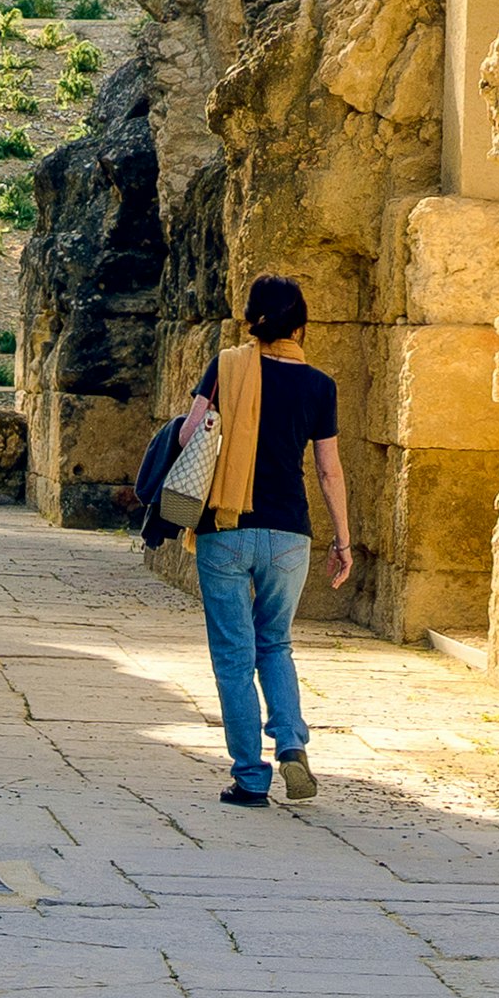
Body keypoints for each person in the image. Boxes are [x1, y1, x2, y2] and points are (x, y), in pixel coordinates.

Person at [182, 275, 352, 808]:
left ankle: (250, 779)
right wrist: (342, 539)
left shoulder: (228, 367)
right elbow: (329, 471)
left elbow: (190, 436)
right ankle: (293, 744)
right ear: (301, 326)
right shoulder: (320, 386)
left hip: (226, 530)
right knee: (274, 643)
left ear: (251, 320)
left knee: (234, 655)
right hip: (289, 537)